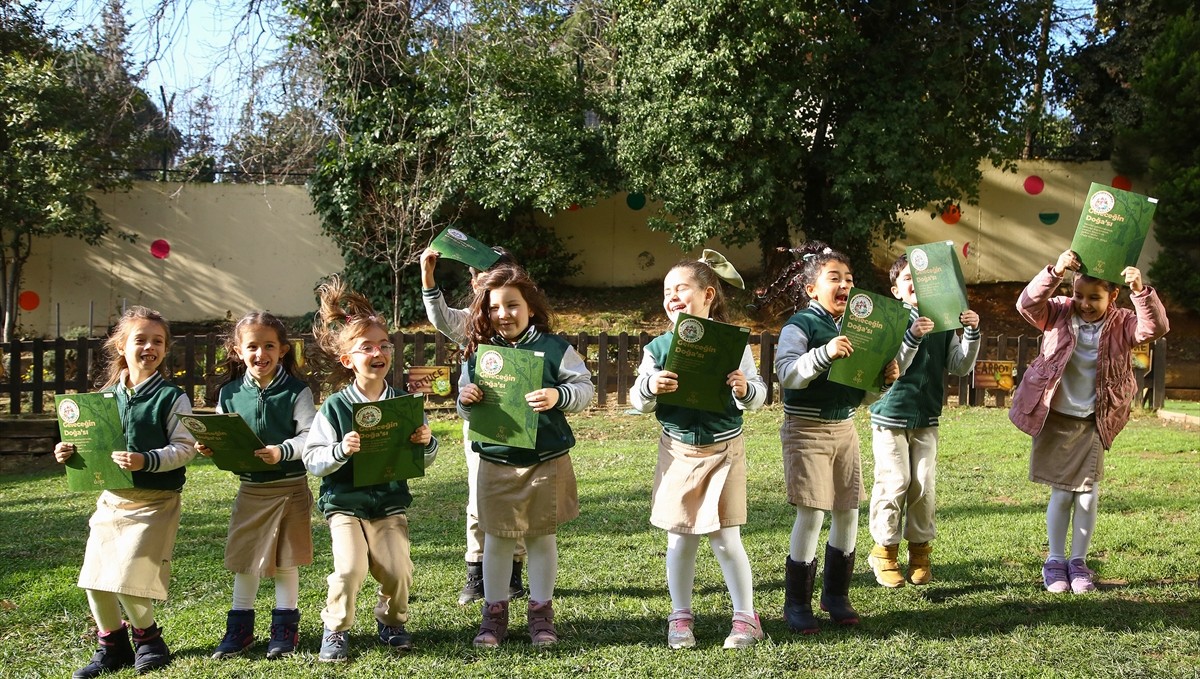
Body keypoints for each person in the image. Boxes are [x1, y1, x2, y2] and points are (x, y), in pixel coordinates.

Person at [1009, 250, 1168, 594]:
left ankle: (1078, 563)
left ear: (1112, 296)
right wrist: (1055, 271)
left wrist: (1141, 292)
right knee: (1061, 494)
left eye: (1094, 298)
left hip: (1094, 418)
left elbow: (1154, 328)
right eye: (1079, 294)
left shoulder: (1124, 321)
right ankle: (1054, 561)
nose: (1084, 303)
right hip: (1056, 417)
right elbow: (1026, 305)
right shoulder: (1059, 311)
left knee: (1087, 495)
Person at [630, 251, 767, 650]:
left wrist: (745, 390)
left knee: (726, 539)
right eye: (667, 291)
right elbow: (638, 400)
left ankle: (746, 617)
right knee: (680, 540)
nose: (672, 297)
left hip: (724, 449)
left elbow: (757, 395)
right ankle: (680, 616)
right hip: (677, 452)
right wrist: (650, 387)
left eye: (681, 288)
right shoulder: (657, 348)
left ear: (708, 294)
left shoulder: (731, 343)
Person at [52, 307, 196, 677]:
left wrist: (145, 460)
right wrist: (68, 453)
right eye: (140, 339)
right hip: (111, 502)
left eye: (158, 341)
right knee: (95, 580)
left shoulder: (171, 397)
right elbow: (89, 446)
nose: (149, 347)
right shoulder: (103, 399)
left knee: (130, 580)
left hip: (155, 502)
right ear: (121, 345)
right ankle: (112, 647)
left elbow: (184, 448)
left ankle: (149, 641)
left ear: (165, 348)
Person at [456, 264, 594, 648]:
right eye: (495, 307)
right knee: (497, 540)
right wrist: (465, 401)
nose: (503, 314)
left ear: (530, 307)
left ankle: (541, 614)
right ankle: (494, 614)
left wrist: (558, 396)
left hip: (545, 459)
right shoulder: (480, 355)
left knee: (540, 538)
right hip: (496, 459)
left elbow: (584, 389)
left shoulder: (556, 349)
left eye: (512, 305)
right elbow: (464, 402)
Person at [302, 277, 440, 662]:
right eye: (366, 348)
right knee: (350, 569)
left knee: (398, 571)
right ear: (348, 360)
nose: (377, 353)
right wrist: (340, 449)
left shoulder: (402, 404)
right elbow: (313, 459)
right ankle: (335, 629)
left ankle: (391, 621)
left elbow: (424, 457)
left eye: (383, 346)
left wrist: (425, 442)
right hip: (345, 503)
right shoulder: (333, 407)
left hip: (388, 504)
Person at [770, 242, 900, 634]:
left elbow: (862, 394)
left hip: (844, 429)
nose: (845, 284)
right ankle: (797, 603)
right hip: (805, 430)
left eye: (850, 279)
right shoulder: (800, 326)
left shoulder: (859, 328)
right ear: (811, 289)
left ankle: (837, 596)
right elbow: (788, 373)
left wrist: (883, 382)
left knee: (848, 511)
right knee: (811, 512)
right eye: (834, 278)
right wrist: (824, 353)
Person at [198, 312, 316, 659]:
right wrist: (211, 446)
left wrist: (281, 451)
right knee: (245, 559)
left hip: (290, 486)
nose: (260, 354)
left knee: (286, 559)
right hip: (251, 490)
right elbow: (224, 435)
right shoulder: (230, 394)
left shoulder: (297, 390)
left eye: (269, 346)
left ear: (283, 350)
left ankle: (284, 630)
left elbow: (310, 436)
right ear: (238, 350)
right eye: (252, 346)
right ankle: (239, 630)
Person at [420, 246, 527, 605]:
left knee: (517, 497)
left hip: (519, 426)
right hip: (479, 424)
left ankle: (513, 573)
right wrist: (428, 277)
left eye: (495, 270)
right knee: (478, 496)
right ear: (473, 279)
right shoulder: (473, 323)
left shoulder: (523, 321)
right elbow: (440, 318)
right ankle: (476, 572)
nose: (486, 277)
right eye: (480, 271)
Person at [866, 254, 981, 588]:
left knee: (923, 485)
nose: (915, 285)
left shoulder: (943, 320)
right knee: (895, 482)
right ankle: (884, 551)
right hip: (890, 414)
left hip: (927, 416)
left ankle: (920, 553)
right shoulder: (890, 319)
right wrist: (912, 336)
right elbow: (892, 366)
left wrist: (971, 333)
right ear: (896, 289)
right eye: (907, 279)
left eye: (921, 278)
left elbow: (960, 366)